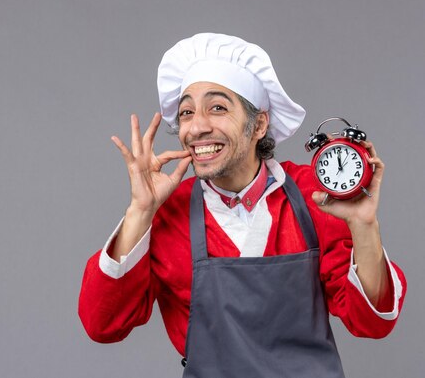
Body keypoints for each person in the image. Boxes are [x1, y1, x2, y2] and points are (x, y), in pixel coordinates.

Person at [78, 33, 406, 378]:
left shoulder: (313, 194)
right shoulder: (167, 210)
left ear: (259, 124)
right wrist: (140, 211)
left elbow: (371, 322)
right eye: (187, 112)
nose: (198, 127)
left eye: (217, 107)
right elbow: (102, 324)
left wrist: (364, 225)